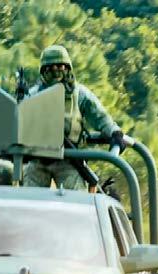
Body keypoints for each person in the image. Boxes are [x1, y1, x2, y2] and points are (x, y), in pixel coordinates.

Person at [22, 44, 126, 190]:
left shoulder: (79, 94)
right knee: (29, 197)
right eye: (51, 67)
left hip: (69, 157)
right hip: (38, 158)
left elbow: (100, 116)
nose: (56, 71)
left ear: (68, 68)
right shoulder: (33, 95)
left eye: (60, 66)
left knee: (77, 198)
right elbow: (20, 123)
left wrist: (114, 132)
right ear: (43, 70)